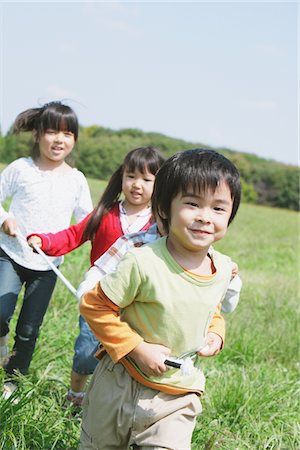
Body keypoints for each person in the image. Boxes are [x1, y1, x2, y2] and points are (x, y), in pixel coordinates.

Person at [79, 148, 241, 450]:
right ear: (164, 208)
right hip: (119, 381)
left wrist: (216, 334)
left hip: (177, 394)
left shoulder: (222, 270)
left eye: (218, 208)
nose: (205, 217)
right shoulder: (141, 261)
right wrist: (137, 348)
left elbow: (211, 309)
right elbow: (94, 305)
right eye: (192, 204)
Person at [27, 146, 165, 406]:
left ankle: (114, 403)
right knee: (86, 352)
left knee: (126, 354)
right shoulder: (106, 212)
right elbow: (73, 235)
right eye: (131, 176)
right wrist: (43, 241)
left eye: (147, 179)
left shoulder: (160, 223)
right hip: (99, 296)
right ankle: (76, 396)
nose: (137, 185)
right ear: (121, 177)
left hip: (136, 302)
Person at [0, 101, 93, 398]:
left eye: (67, 133)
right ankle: (2, 344)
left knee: (28, 329)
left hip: (48, 267)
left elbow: (88, 223)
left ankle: (12, 380)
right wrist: (5, 219)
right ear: (38, 134)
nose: (59, 140)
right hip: (11, 255)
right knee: (0, 313)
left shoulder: (76, 180)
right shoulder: (21, 169)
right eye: (52, 131)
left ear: (74, 139)